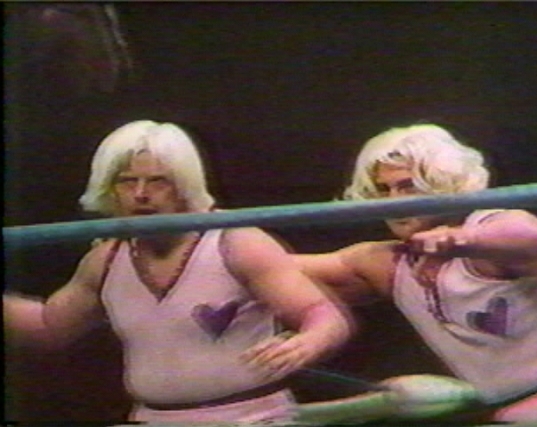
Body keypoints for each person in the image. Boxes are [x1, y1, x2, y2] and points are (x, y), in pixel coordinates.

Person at [3, 120, 352, 423]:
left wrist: (307, 342)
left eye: (158, 181)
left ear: (184, 185)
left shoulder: (237, 243)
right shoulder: (105, 259)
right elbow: (50, 327)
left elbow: (325, 316)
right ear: (109, 188)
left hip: (251, 418)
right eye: (127, 181)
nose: (141, 194)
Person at [294, 123, 537, 422]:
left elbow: (530, 239)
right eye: (383, 189)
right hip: (524, 416)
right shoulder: (386, 263)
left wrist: (458, 241)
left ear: (444, 184)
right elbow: (273, 270)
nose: (393, 202)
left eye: (408, 187)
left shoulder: (496, 226)